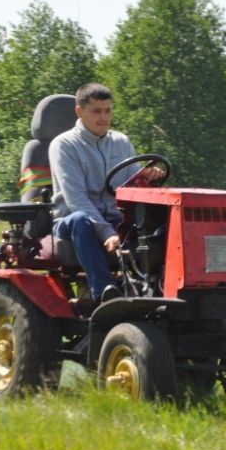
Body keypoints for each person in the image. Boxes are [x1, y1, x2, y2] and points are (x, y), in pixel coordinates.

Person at [50, 83, 149, 305]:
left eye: (108, 111)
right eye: (96, 111)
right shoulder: (64, 145)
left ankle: (158, 287)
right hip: (71, 222)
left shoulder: (121, 142)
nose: (104, 118)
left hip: (116, 218)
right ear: (79, 111)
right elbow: (76, 199)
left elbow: (134, 188)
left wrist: (148, 178)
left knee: (161, 222)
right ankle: (105, 292)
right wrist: (106, 233)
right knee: (81, 220)